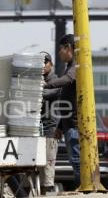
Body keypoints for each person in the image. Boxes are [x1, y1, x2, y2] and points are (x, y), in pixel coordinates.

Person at [44, 34, 80, 187]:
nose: (59, 53)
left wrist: (45, 85)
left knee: (78, 162)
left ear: (69, 48)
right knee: (75, 161)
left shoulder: (76, 65)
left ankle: (85, 190)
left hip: (74, 126)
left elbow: (68, 80)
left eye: (61, 49)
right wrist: (60, 126)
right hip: (68, 125)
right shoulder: (70, 66)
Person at [39, 52, 60, 194]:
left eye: (45, 62)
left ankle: (49, 192)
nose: (42, 65)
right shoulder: (38, 80)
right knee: (37, 164)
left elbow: (44, 94)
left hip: (49, 129)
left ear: (51, 64)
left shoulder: (56, 81)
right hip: (36, 129)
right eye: (39, 62)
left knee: (48, 164)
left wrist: (32, 87)